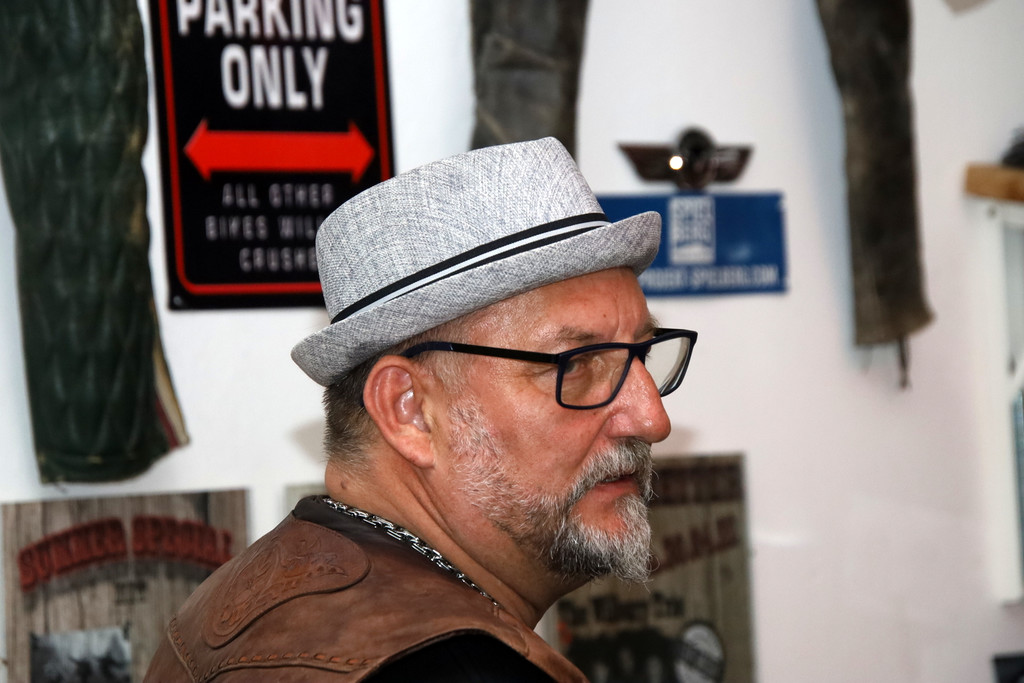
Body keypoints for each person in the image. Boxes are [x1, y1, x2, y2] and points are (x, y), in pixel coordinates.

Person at [145, 138, 698, 681]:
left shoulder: (214, 613)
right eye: (575, 365)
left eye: (642, 354)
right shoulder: (458, 670)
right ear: (408, 410)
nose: (653, 419)